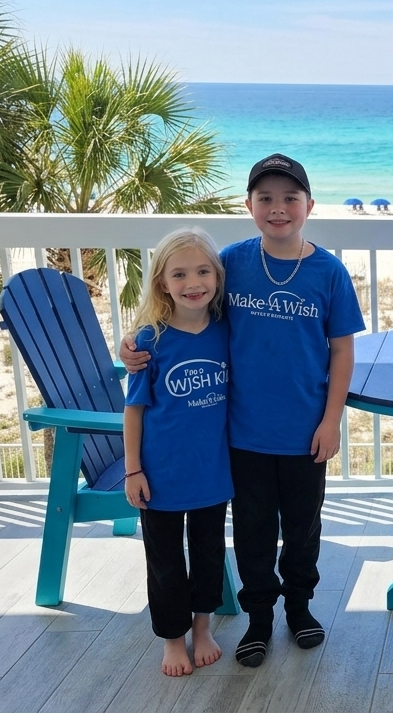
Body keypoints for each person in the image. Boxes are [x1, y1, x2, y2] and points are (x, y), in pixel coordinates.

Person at [122, 153, 365, 669]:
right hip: (242, 436)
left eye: (290, 198)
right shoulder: (230, 262)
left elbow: (342, 350)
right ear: (249, 206)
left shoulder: (328, 271)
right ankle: (259, 619)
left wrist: (331, 420)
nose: (278, 208)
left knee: (303, 528)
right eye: (266, 198)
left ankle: (299, 608)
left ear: (308, 205)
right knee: (253, 532)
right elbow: (184, 310)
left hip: (306, 433)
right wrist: (132, 344)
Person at [123, 227, 234, 677]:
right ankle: (173, 638)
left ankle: (203, 628)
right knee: (166, 564)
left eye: (204, 271)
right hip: (161, 475)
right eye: (180, 273)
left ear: (218, 277)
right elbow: (134, 410)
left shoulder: (226, 331)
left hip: (212, 473)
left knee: (208, 555)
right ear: (162, 283)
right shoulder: (150, 341)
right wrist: (133, 470)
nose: (194, 282)